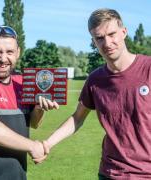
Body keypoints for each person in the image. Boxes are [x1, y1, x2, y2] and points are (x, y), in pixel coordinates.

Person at [36, 8, 151, 179]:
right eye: (99, 38)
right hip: (111, 173)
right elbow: (77, 118)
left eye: (112, 34)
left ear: (124, 32)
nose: (107, 43)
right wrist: (48, 143)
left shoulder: (148, 68)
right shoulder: (95, 79)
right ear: (94, 42)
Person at [0, 25, 59, 180]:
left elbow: (33, 123)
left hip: (18, 173)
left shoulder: (22, 81)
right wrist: (32, 146)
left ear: (18, 53)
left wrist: (39, 108)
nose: (3, 59)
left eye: (9, 52)